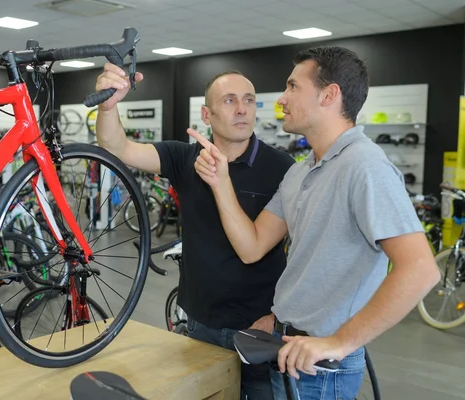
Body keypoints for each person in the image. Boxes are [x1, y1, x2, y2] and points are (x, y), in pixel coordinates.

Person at [191, 45, 440, 400]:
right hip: (287, 348)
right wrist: (221, 181)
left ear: (329, 94)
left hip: (321, 369)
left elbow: (420, 269)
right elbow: (252, 246)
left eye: (293, 87)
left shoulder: (365, 166)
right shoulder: (301, 172)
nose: (281, 99)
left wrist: (340, 342)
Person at [94, 64, 295, 399]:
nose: (242, 108)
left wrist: (279, 316)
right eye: (229, 100)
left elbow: (301, 251)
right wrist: (108, 106)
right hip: (201, 324)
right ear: (207, 113)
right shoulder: (185, 158)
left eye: (249, 100)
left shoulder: (282, 168)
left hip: (260, 328)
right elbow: (117, 148)